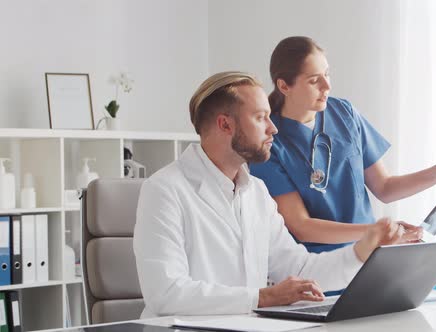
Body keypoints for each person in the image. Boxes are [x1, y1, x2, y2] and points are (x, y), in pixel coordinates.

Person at [133, 71, 421, 317]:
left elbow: (300, 268)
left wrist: (363, 251)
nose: (273, 129)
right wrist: (264, 297)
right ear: (225, 124)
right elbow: (166, 293)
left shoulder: (255, 192)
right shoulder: (165, 190)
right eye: (261, 118)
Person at [250, 36, 436, 254]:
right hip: (317, 267)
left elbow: (384, 188)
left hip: (368, 254)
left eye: (327, 74)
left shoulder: (344, 113)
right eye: (314, 80)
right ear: (284, 86)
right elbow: (301, 227)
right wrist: (376, 231)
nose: (327, 86)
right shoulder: (269, 141)